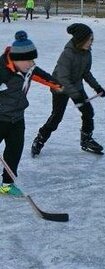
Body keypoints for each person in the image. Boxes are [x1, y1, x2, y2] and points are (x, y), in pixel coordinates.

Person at [0, 31, 63, 196]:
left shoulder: (29, 68)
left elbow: (45, 78)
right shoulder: (2, 71)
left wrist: (60, 86)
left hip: (17, 118)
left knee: (14, 151)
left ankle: (7, 184)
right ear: (16, 58)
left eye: (32, 59)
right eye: (28, 60)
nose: (31, 63)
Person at [31, 23, 105, 157]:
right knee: (56, 117)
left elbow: (86, 73)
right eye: (89, 39)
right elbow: (63, 78)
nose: (91, 42)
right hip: (60, 87)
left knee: (88, 112)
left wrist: (97, 87)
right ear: (81, 40)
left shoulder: (87, 53)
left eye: (92, 39)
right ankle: (40, 139)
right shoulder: (68, 54)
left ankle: (86, 139)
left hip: (76, 86)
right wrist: (76, 95)